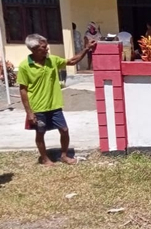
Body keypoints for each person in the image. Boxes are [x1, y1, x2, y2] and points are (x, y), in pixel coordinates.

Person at [17, 34, 96, 166]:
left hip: (55, 106)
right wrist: (29, 112)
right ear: (34, 49)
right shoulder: (25, 66)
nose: (47, 48)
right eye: (44, 47)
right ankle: (45, 158)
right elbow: (23, 90)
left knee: (64, 130)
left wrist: (86, 48)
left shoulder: (52, 60)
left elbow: (71, 61)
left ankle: (64, 156)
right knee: (40, 133)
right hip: (38, 107)